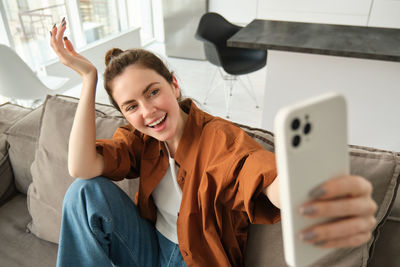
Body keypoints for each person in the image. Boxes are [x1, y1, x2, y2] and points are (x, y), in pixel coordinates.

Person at [50, 19, 377, 267]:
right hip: (150, 249)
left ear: (174, 85)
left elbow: (258, 174)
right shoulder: (140, 140)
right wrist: (88, 79)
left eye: (153, 92)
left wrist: (303, 186)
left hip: (197, 261)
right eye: (131, 106)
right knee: (84, 191)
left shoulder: (219, 138)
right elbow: (81, 167)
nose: (148, 111)